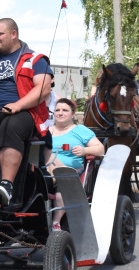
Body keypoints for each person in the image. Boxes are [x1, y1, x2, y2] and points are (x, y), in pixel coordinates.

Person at [0, 18, 54, 204]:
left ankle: (7, 185)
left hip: (23, 113)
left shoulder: (35, 59)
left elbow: (43, 88)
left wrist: (18, 105)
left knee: (11, 126)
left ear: (14, 34)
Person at [42, 98, 104, 230]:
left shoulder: (80, 130)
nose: (60, 113)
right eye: (57, 110)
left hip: (69, 172)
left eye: (65, 110)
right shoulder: (47, 131)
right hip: (46, 169)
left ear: (72, 114)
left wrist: (85, 150)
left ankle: (56, 222)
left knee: (50, 155)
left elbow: (100, 149)